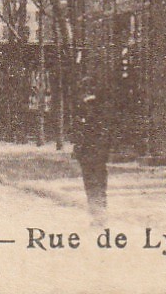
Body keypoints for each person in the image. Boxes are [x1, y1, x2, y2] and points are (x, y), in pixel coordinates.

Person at [74, 79, 112, 225]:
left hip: (93, 154)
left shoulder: (92, 111)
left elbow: (85, 133)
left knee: (94, 182)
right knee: (95, 182)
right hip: (91, 154)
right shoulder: (88, 111)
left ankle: (98, 212)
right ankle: (98, 211)